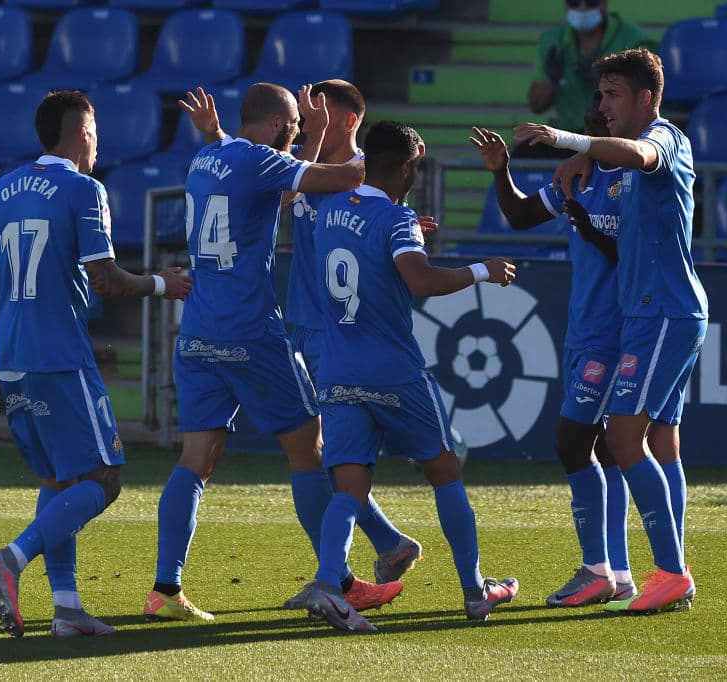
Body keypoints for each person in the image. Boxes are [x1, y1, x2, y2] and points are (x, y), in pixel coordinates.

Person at [144, 82, 403, 624]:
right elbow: (353, 176)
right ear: (279, 124)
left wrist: (223, 133)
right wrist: (329, 131)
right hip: (250, 331)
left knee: (196, 460)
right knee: (309, 448)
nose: (298, 134)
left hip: (196, 332)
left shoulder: (205, 156)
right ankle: (340, 581)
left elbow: (270, 183)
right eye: (294, 126)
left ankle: (165, 589)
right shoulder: (261, 160)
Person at [0, 90, 193, 638]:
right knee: (103, 477)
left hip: (11, 352)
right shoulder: (83, 188)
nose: (98, 142)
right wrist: (165, 283)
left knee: (58, 476)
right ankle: (13, 557)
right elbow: (106, 278)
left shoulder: (0, 191)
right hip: (59, 355)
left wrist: (6, 339)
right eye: (95, 131)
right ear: (82, 134)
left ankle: (67, 608)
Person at [298, 120, 520, 633]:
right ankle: (474, 591)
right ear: (403, 168)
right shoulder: (396, 219)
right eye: (415, 168)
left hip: (338, 368)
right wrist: (482, 270)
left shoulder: (329, 211)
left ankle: (329, 585)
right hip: (394, 370)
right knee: (444, 471)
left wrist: (406, 231)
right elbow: (420, 280)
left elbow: (361, 247)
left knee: (349, 484)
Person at [514, 47, 707, 614]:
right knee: (656, 440)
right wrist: (585, 160)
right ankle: (647, 571)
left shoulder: (665, 138)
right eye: (599, 95)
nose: (602, 104)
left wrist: (570, 143)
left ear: (647, 98)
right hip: (653, 315)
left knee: (622, 440)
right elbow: (615, 168)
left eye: (613, 94)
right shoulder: (614, 162)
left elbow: (639, 153)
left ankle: (668, 572)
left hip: (665, 315)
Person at [471, 92, 636, 608]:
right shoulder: (578, 177)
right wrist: (502, 171)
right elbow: (520, 216)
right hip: (584, 328)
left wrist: (586, 224)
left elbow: (635, 253)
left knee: (572, 443)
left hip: (613, 332)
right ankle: (620, 572)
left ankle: (595, 569)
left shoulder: (635, 182)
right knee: (606, 447)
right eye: (589, 122)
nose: (595, 129)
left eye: (601, 122)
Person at [519, 0, 654, 159]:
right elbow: (536, 106)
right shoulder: (552, 40)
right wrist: (552, 80)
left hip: (615, 136)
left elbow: (646, 103)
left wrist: (603, 81)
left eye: (591, 2)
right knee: (521, 155)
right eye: (574, 2)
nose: (582, 8)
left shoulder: (635, 41)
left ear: (604, 3)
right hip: (566, 134)